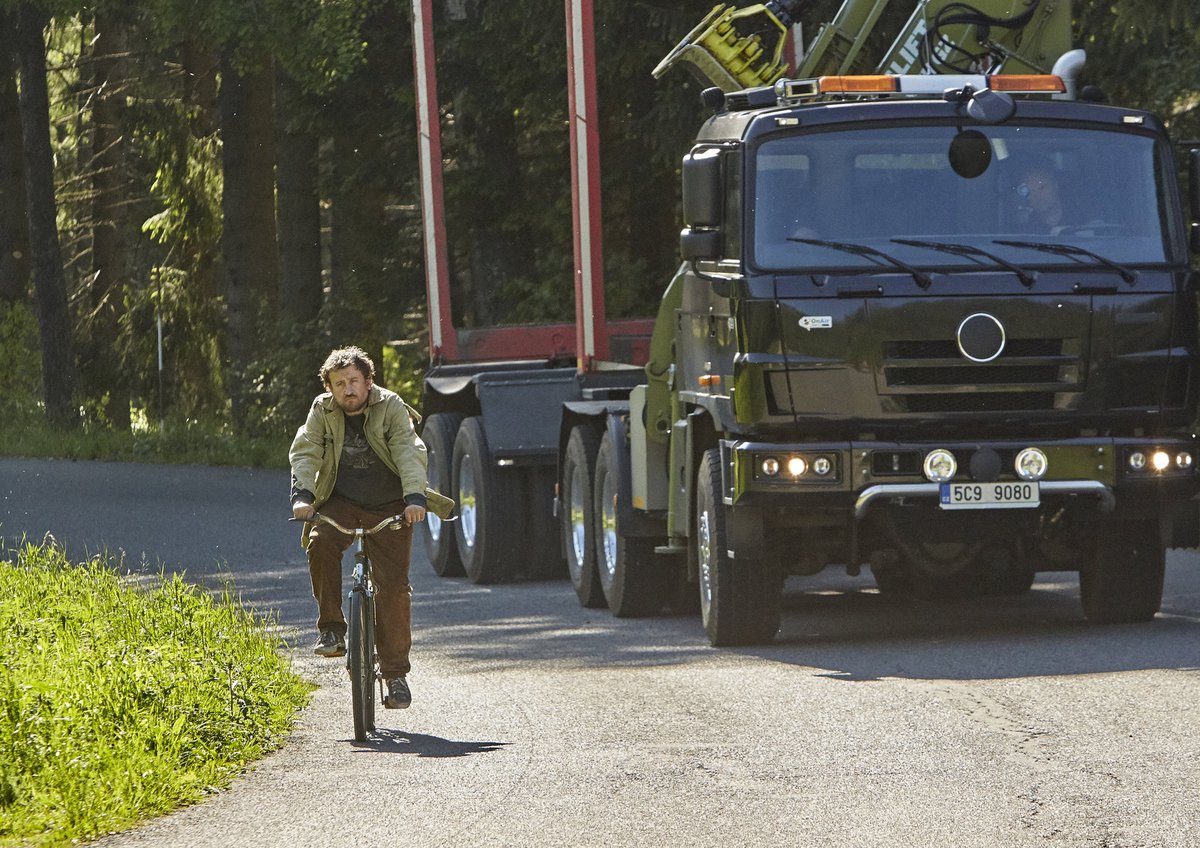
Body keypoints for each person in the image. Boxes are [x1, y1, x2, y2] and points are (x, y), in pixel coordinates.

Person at [289, 346, 428, 710]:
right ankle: (332, 629)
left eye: (353, 381)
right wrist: (302, 495)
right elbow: (306, 451)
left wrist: (414, 498)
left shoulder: (391, 406)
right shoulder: (323, 409)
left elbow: (408, 449)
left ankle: (395, 675)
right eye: (339, 384)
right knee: (319, 542)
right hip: (342, 503)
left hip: (390, 505)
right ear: (330, 388)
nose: (347, 389)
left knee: (394, 588)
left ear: (369, 381)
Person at [1013, 161, 1066, 233]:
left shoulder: (1081, 217)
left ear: (1056, 186)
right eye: (1030, 191)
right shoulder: (1025, 231)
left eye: (1042, 188)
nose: (1037, 196)